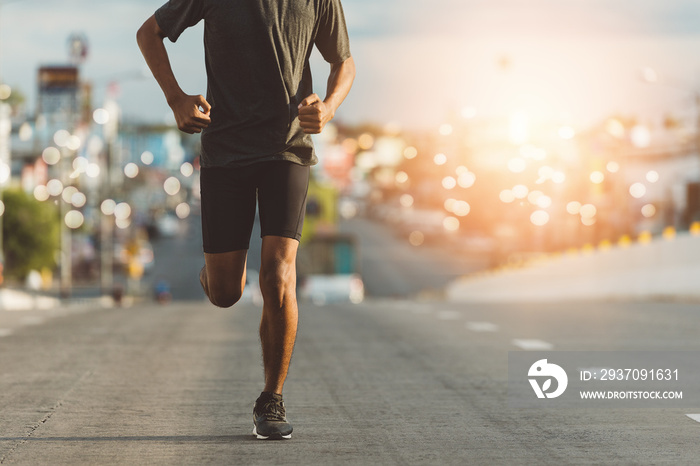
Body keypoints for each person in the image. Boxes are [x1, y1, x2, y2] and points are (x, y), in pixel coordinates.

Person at [137, 0, 354, 440]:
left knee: (277, 276)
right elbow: (148, 33)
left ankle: (271, 398)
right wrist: (176, 99)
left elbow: (343, 61)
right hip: (225, 153)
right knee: (224, 293)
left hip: (288, 149)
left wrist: (328, 107)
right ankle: (215, 274)